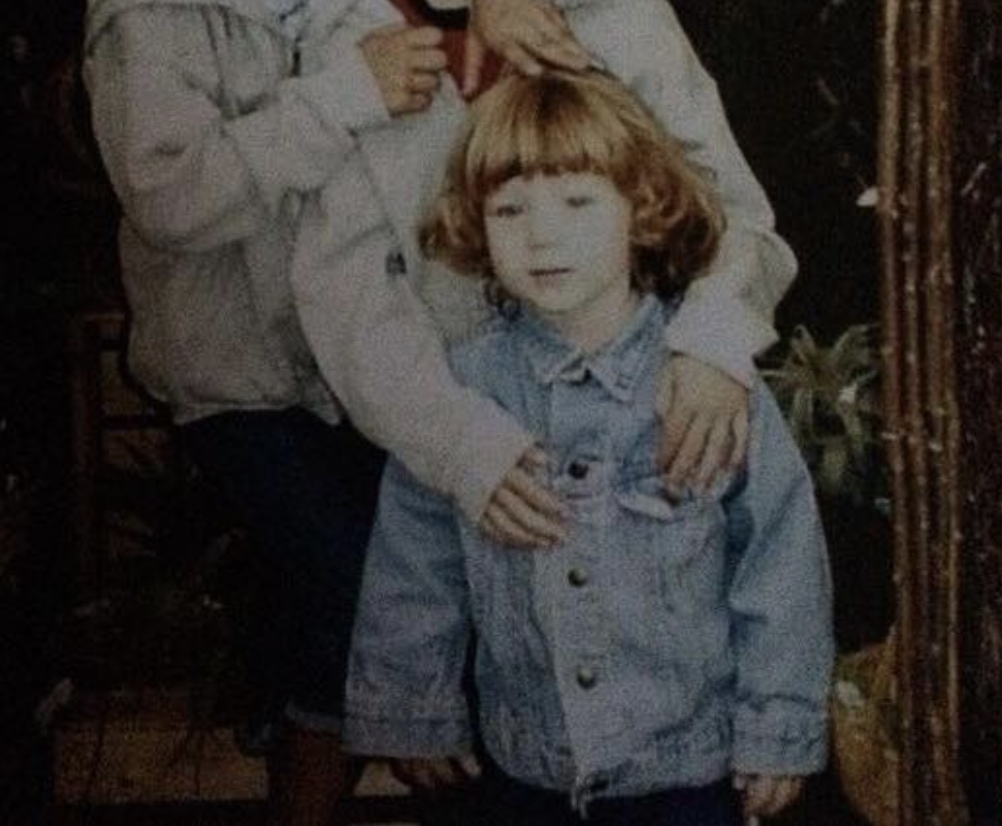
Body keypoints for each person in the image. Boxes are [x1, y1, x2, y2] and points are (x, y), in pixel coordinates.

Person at [81, 0, 661, 826]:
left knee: (376, 592)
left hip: (359, 361)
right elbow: (170, 200)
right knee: (365, 586)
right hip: (237, 376)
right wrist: (335, 100)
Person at [289, 0, 799, 552]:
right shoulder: (356, 43)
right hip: (440, 449)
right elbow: (347, 300)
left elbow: (738, 216)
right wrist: (462, 449)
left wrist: (713, 341)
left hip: (631, 447)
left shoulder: (632, 31)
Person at [344, 70, 834, 825]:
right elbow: (415, 558)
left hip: (686, 771)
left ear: (641, 209)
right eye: (509, 209)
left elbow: (779, 559)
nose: (542, 234)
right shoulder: (462, 394)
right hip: (524, 766)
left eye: (577, 201)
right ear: (476, 225)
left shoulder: (705, 388)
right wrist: (413, 705)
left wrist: (777, 726)